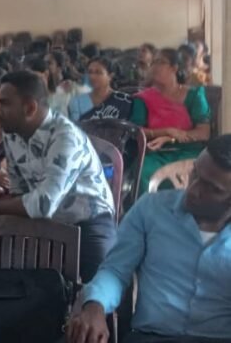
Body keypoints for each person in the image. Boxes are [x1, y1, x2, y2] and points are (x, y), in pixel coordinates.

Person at [67, 134, 231, 343]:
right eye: (195, 173)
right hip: (151, 337)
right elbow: (116, 270)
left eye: (212, 188)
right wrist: (95, 305)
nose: (193, 190)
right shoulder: (151, 209)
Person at [0, 71, 116, 282]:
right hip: (42, 220)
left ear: (29, 108)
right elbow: (19, 191)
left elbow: (43, 204)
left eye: (5, 103)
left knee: (99, 284)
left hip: (89, 220)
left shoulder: (65, 137)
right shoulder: (12, 132)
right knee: (1, 270)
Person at [130, 48, 211, 194]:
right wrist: (167, 131)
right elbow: (136, 131)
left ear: (174, 68)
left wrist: (170, 138)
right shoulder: (143, 98)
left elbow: (203, 133)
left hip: (190, 152)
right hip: (157, 154)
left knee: (198, 172)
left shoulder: (194, 95)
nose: (155, 67)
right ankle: (149, 208)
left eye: (160, 62)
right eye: (153, 62)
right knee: (143, 171)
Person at [69, 57, 133, 121]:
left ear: (110, 76)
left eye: (98, 72)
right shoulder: (78, 102)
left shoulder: (124, 101)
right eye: (90, 72)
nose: (92, 76)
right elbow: (74, 126)